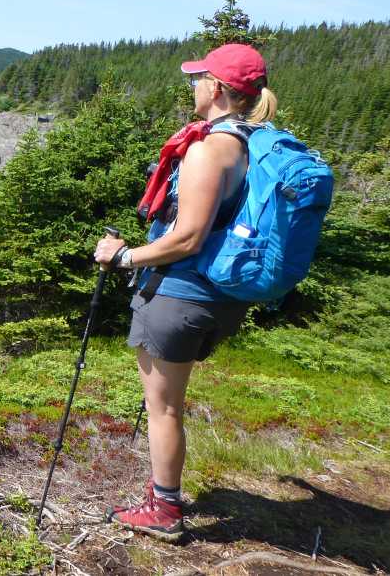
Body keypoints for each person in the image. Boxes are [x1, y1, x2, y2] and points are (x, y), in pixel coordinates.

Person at [92, 43, 278, 541]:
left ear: (216, 89)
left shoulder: (208, 150)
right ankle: (162, 497)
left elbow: (188, 236)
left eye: (197, 79)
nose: (192, 87)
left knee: (165, 408)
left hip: (181, 295)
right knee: (169, 403)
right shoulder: (250, 142)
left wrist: (125, 256)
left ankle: (165, 509)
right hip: (218, 297)